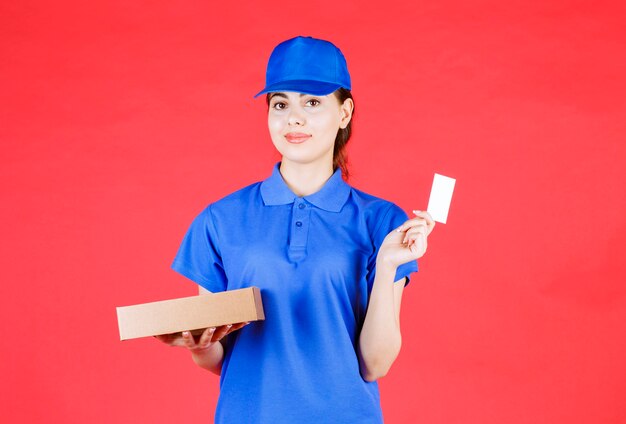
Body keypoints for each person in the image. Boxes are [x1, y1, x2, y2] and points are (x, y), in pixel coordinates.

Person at [156, 35, 435, 423]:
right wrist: (199, 346)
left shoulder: (381, 221)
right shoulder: (220, 220)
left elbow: (375, 365)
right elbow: (219, 358)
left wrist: (388, 264)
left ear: (344, 112)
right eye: (280, 104)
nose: (294, 118)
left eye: (313, 102)